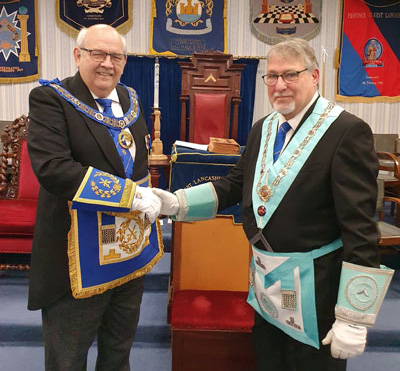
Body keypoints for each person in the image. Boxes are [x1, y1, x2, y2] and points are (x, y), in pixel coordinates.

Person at [153, 38, 393, 371]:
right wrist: (176, 202)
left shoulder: (346, 131)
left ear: (314, 76)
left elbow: (361, 229)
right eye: (272, 76)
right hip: (265, 283)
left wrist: (353, 317)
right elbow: (235, 186)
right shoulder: (263, 128)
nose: (279, 85)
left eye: (290, 75)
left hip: (317, 290)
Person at [27, 24, 163, 370]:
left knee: (118, 354)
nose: (107, 63)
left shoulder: (131, 98)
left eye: (116, 56)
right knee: (68, 360)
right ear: (78, 56)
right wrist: (130, 195)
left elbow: (137, 163)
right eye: (97, 54)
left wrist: (152, 197)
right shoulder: (51, 99)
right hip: (76, 260)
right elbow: (54, 169)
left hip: (130, 253)